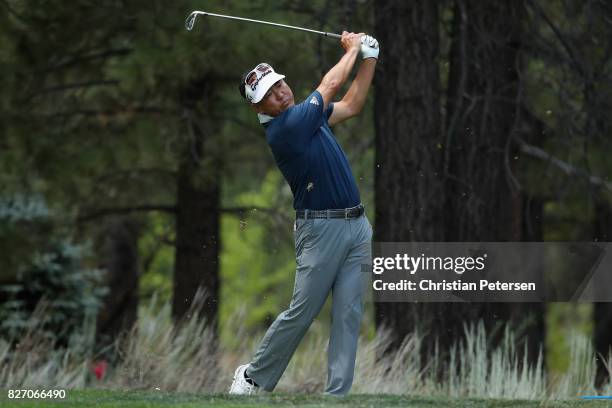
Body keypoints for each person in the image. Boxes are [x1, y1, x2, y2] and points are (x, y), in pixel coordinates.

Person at [230, 31, 379, 396]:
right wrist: (354, 49)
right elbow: (331, 84)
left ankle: (337, 397)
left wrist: (370, 59)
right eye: (269, 94)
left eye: (279, 84)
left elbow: (353, 103)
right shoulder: (286, 129)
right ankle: (252, 378)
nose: (280, 93)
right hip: (320, 231)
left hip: (357, 226)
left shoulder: (306, 117)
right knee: (302, 312)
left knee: (348, 315)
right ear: (258, 108)